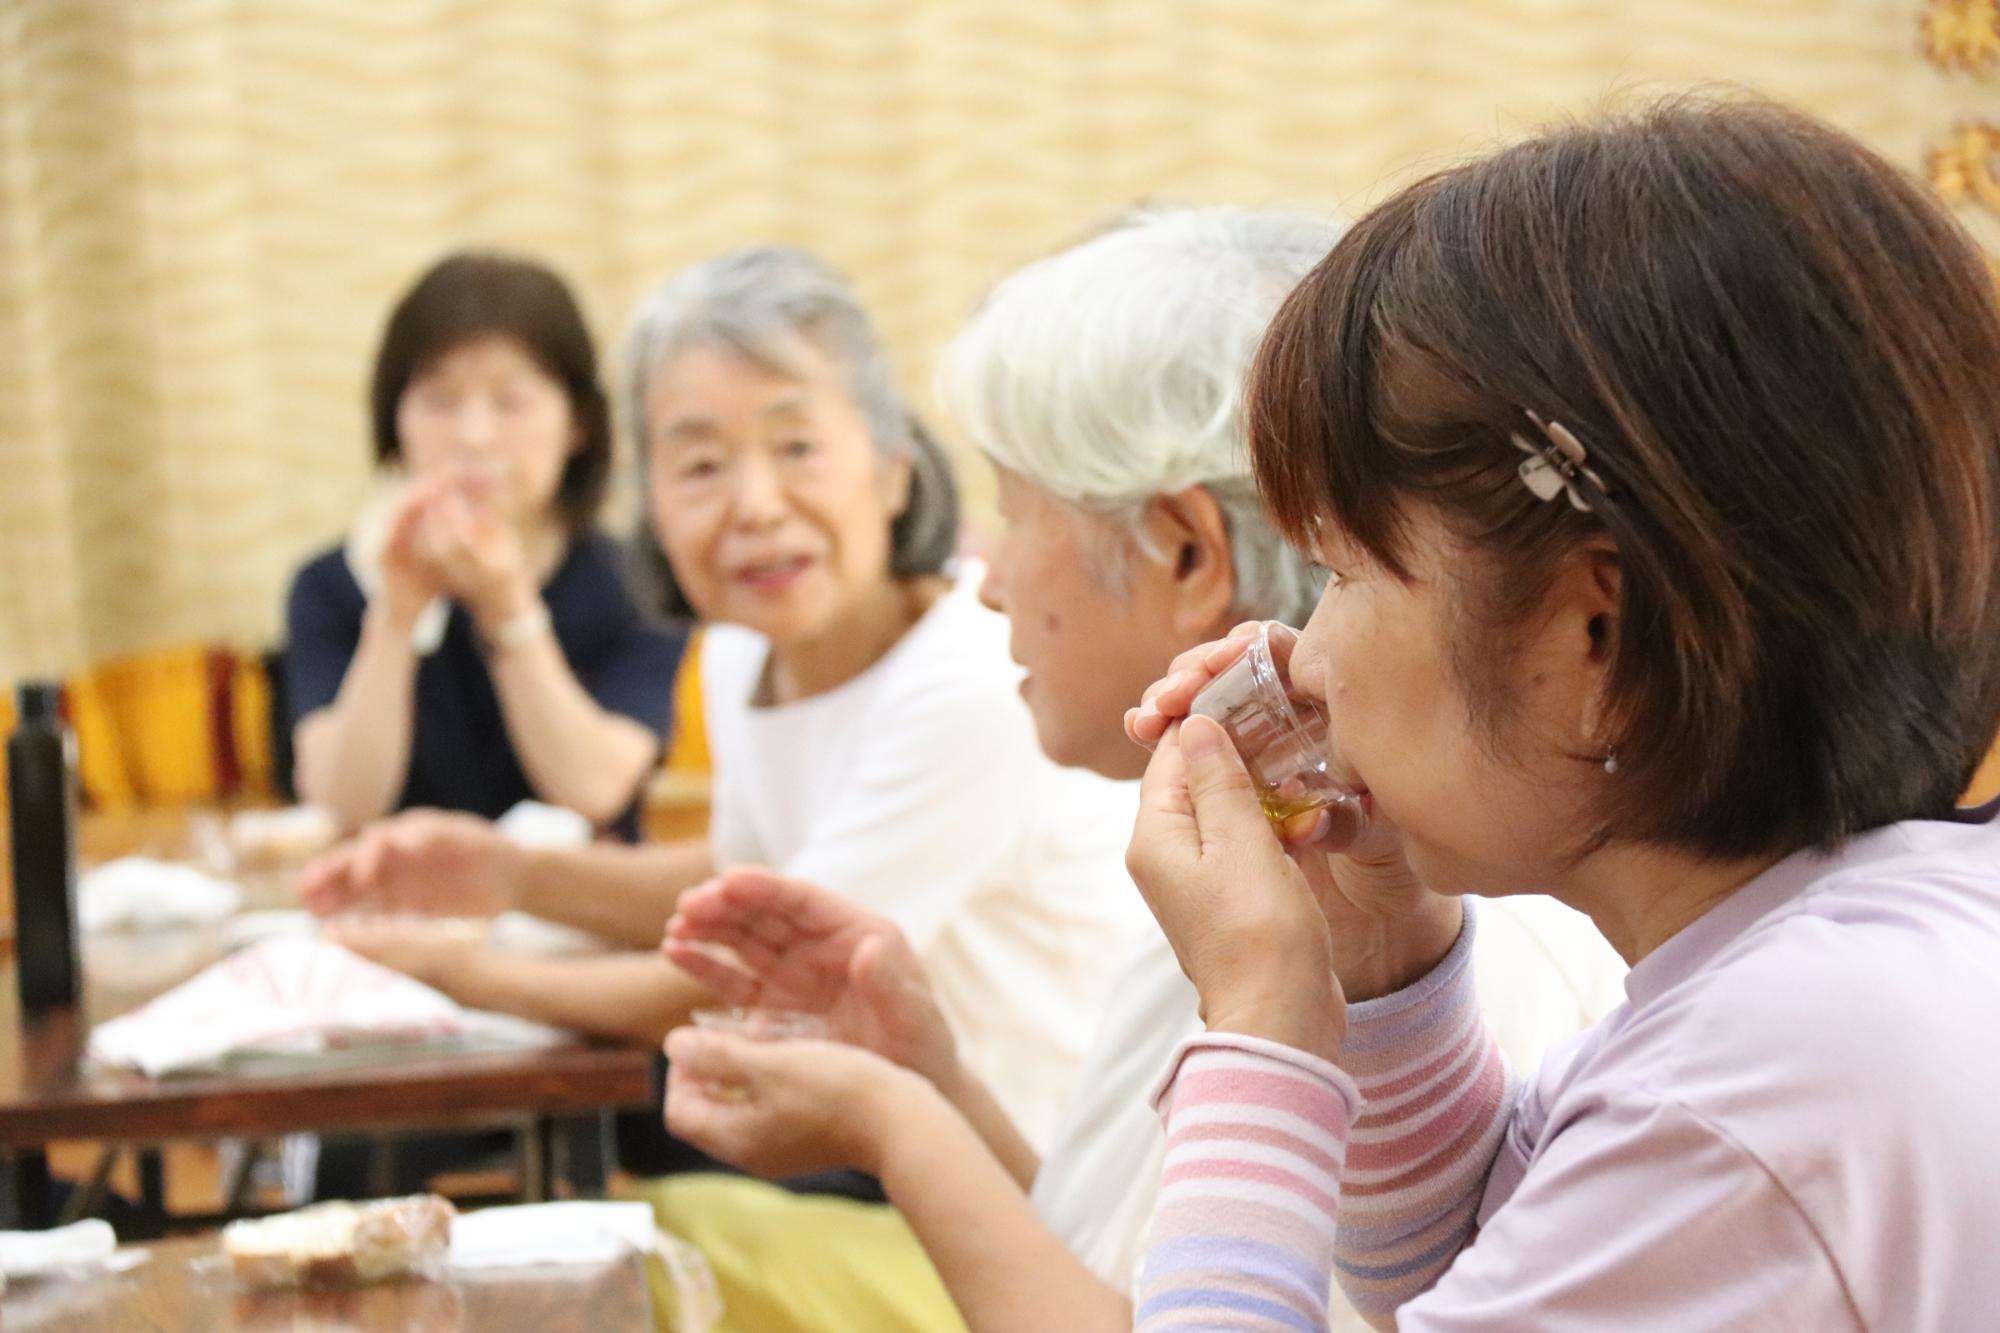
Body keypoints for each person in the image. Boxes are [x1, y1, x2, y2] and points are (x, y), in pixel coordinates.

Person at [654, 209, 1627, 1333]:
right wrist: (929, 1076)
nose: (986, 579)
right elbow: (1140, 1285)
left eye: (1014, 512)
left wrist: (895, 1127)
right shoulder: (1246, 856)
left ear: (1182, 550)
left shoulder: (1416, 937)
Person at [1121, 99, 2000, 1330]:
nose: (1303, 659)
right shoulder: (1832, 957)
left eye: (1344, 574)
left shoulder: (1762, 1092)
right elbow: (1491, 1264)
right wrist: (1373, 958)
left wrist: (1263, 1015)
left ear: (1594, 638)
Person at [301, 247, 1144, 1152]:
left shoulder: (975, 683)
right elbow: (747, 883)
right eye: (701, 464)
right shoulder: (741, 650)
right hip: (887, 1151)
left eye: (797, 448)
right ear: (652, 502)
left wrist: (458, 968)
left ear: (893, 468)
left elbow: (747, 973)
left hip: (1042, 1196)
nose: (755, 505)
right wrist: (508, 873)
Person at [284, 251, 682, 835]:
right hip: (394, 914)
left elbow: (595, 792)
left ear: (577, 424)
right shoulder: (329, 585)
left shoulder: (638, 581)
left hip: (578, 914)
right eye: (439, 401)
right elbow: (341, 806)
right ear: (394, 421)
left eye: (510, 401)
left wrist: (508, 607)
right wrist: (396, 616)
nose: (473, 436)